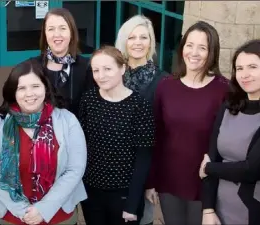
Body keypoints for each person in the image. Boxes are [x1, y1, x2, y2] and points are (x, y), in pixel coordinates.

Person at [0, 59, 87, 225]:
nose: (29, 93)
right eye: (21, 88)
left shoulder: (67, 120)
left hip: (58, 216)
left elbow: (75, 169)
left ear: (46, 88)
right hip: (13, 216)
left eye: (35, 86)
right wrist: (21, 209)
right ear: (13, 93)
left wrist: (43, 209)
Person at [145, 21, 229, 225]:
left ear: (212, 52)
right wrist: (151, 181)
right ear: (182, 48)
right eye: (190, 45)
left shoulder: (225, 89)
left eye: (203, 47)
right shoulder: (166, 86)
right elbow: (157, 135)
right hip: (168, 179)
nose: (194, 52)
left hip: (205, 183)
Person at [199, 39, 260, 225]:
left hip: (255, 210)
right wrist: (208, 209)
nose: (245, 74)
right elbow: (212, 155)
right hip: (219, 207)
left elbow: (252, 169)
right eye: (239, 69)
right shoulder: (228, 107)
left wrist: (209, 169)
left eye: (252, 67)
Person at [78, 46, 155, 225]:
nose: (101, 75)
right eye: (96, 70)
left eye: (107, 69)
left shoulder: (139, 105)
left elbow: (143, 158)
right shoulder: (88, 100)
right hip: (92, 191)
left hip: (124, 193)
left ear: (122, 68)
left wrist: (133, 202)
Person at [114, 15, 167, 225]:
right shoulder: (113, 74)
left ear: (151, 42)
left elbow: (162, 134)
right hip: (113, 169)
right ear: (124, 41)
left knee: (141, 221)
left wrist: (152, 181)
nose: (137, 43)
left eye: (143, 37)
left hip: (145, 170)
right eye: (132, 37)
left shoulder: (163, 82)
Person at [30, 8, 93, 115]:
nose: (56, 34)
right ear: (45, 34)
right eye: (51, 29)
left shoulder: (87, 67)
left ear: (71, 32)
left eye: (62, 28)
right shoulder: (32, 67)